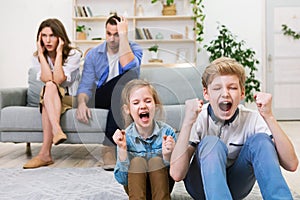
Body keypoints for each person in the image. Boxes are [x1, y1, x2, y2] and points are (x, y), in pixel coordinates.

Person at [170, 57, 299, 199]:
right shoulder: (199, 117)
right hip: (200, 187)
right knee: (212, 143)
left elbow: (291, 164)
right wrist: (188, 122)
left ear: (242, 93)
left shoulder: (252, 118)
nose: (225, 93)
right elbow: (177, 174)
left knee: (261, 140)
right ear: (206, 93)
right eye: (217, 88)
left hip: (236, 187)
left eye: (232, 88)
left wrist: (269, 117)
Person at [76, 14, 143, 170]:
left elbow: (128, 66)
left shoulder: (134, 49)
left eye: (116, 34)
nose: (112, 39)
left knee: (127, 80)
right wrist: (81, 103)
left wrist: (124, 36)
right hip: (102, 96)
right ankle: (109, 146)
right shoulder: (94, 54)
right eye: (109, 34)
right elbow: (85, 85)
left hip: (124, 96)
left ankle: (109, 146)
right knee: (124, 84)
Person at [23, 18, 82, 169]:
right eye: (44, 36)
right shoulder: (38, 57)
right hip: (51, 98)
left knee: (49, 89)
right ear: (39, 38)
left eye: (52, 36)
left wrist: (60, 53)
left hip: (71, 99)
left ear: (60, 37)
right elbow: (48, 79)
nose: (48, 40)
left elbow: (58, 79)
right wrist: (42, 56)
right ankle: (54, 137)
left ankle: (45, 153)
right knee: (49, 88)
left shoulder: (73, 54)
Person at [113, 79, 176, 200]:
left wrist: (168, 156)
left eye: (148, 101)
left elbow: (177, 175)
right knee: (137, 162)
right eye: (136, 103)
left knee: (156, 162)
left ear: (155, 105)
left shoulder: (167, 133)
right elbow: (122, 179)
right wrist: (122, 150)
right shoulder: (125, 137)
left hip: (162, 188)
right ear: (127, 109)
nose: (143, 106)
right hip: (135, 188)